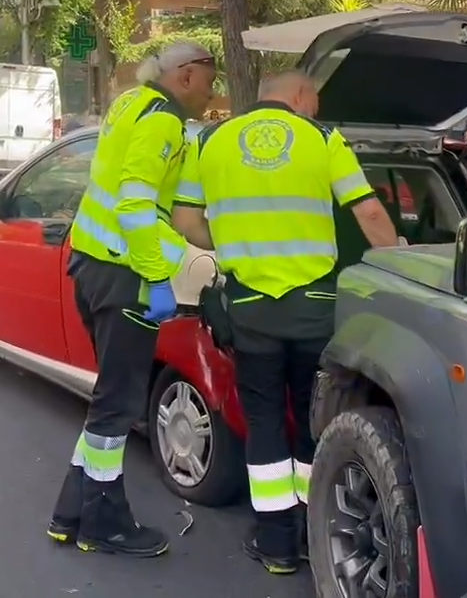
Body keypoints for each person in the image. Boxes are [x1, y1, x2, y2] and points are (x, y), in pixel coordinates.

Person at [171, 71, 399, 575]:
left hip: (251, 307)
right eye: (314, 100)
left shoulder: (209, 140)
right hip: (315, 305)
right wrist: (405, 262)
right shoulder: (322, 139)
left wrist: (230, 242)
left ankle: (275, 543)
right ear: (298, 95)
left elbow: (185, 219)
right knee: (313, 419)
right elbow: (368, 213)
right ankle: (313, 533)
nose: (314, 110)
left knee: (264, 420)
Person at [46, 41, 217, 558]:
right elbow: (137, 203)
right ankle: (106, 523)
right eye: (211, 77)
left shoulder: (131, 103)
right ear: (186, 74)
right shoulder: (163, 121)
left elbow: (174, 213)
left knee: (109, 401)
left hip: (93, 267)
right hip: (125, 276)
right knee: (117, 407)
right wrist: (157, 279)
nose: (214, 90)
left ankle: (71, 513)